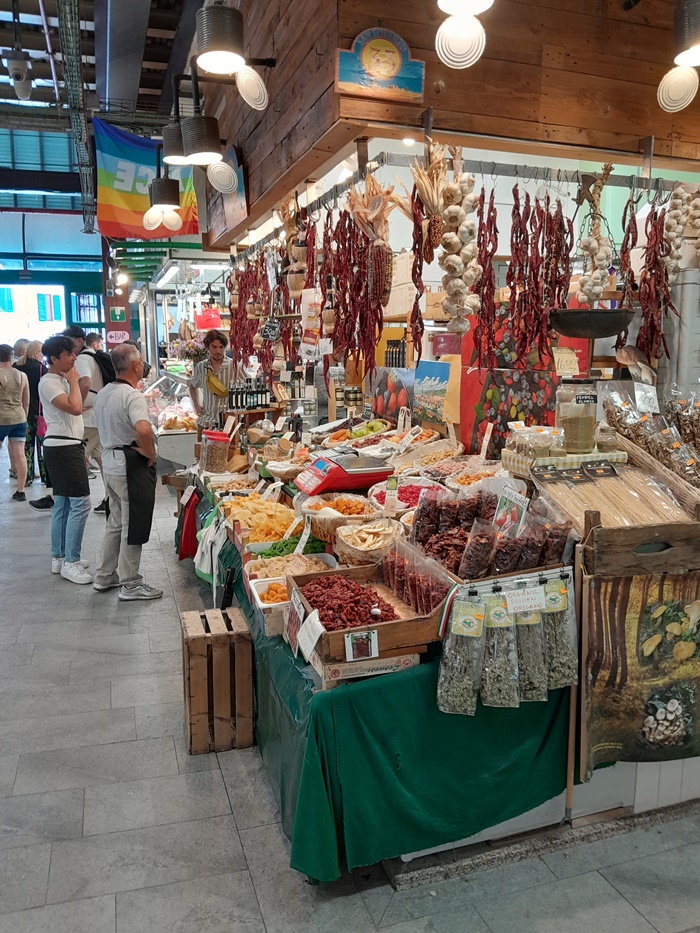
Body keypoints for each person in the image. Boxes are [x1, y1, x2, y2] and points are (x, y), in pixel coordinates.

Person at [93, 343, 162, 601]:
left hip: (109, 460)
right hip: (128, 463)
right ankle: (130, 583)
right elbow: (143, 430)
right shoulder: (132, 396)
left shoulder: (104, 393)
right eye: (141, 362)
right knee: (133, 523)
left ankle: (104, 575)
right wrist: (150, 453)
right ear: (135, 366)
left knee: (115, 522)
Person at [39, 335, 92, 583]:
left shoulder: (58, 379)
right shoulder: (49, 383)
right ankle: (71, 561)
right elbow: (74, 408)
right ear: (53, 359)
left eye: (73, 354)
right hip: (62, 447)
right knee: (80, 504)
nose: (73, 358)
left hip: (68, 445)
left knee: (64, 504)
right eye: (68, 355)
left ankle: (59, 557)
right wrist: (73, 380)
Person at [75, 329, 116, 515]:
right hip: (97, 416)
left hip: (88, 418)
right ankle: (110, 498)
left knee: (75, 457)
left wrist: (78, 403)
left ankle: (65, 497)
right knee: (103, 460)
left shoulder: (83, 359)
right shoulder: (95, 358)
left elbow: (85, 383)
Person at [14, 340, 48, 490]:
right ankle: (46, 478)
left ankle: (26, 479)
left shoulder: (17, 367)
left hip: (21, 414)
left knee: (25, 449)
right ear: (36, 353)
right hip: (39, 414)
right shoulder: (42, 369)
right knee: (43, 447)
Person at [189, 329, 232, 438]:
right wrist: (196, 405)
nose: (218, 351)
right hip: (206, 422)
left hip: (228, 423)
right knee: (202, 454)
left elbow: (248, 386)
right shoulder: (201, 367)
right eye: (214, 347)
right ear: (208, 347)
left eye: (221, 347)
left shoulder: (234, 366)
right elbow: (192, 386)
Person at [0, 344, 29, 501]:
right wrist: (23, 418)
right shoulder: (22, 376)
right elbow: (26, 402)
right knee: (20, 455)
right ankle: (21, 491)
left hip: (1, 419)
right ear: (11, 356)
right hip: (19, 418)